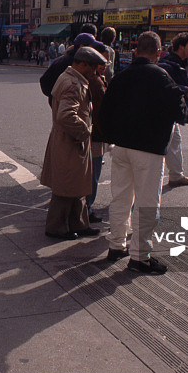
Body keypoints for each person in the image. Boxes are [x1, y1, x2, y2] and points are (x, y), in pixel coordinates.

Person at [97, 31, 188, 273]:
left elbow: (104, 113)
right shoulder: (162, 76)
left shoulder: (121, 77)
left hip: (122, 147)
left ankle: (116, 245)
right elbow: (180, 111)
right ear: (158, 53)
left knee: (121, 199)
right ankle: (140, 256)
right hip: (148, 149)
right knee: (147, 204)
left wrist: (112, 138)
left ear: (136, 51)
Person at [41, 47, 107, 240]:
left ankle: (79, 223)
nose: (95, 71)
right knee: (66, 188)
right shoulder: (72, 83)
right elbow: (66, 115)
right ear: (83, 64)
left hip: (70, 140)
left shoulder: (71, 78)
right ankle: (56, 228)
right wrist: (85, 131)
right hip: (70, 141)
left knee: (77, 186)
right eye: (93, 67)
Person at [158, 32, 188, 187]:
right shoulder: (168, 63)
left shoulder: (177, 62)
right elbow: (164, 84)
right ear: (180, 46)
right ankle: (152, 181)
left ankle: (176, 175)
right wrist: (185, 90)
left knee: (175, 142)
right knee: (163, 147)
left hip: (172, 113)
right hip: (167, 113)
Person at [39, 32, 104, 106]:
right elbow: (45, 81)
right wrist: (56, 97)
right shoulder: (72, 63)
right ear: (82, 46)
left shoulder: (64, 60)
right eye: (92, 47)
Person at [84, 51, 110, 223]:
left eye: (106, 61)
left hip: (94, 133)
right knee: (93, 174)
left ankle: (86, 207)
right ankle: (87, 209)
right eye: (101, 61)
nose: (104, 64)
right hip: (95, 135)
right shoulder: (94, 81)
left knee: (92, 172)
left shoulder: (97, 79)